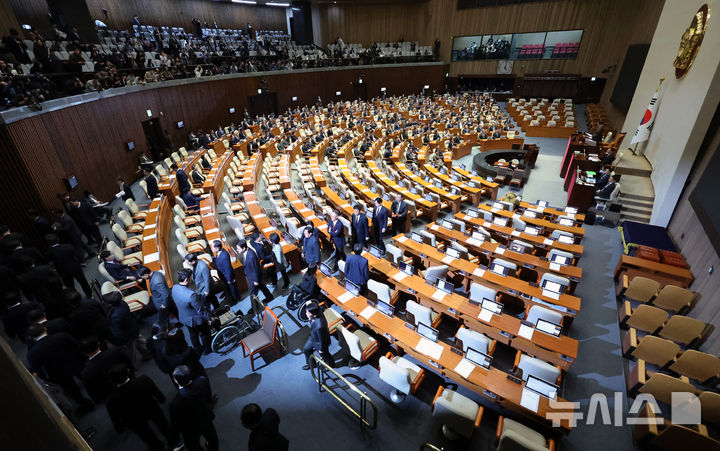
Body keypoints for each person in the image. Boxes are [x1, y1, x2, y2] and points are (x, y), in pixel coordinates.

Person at [105, 364, 182, 451]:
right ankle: (174, 441)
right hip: (152, 408)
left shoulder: (111, 401)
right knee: (162, 423)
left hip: (133, 420)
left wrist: (120, 428)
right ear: (127, 372)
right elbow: (160, 396)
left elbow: (115, 419)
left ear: (112, 381)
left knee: (146, 434)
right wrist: (161, 400)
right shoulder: (143, 380)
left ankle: (158, 447)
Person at [26, 324, 94, 413]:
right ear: (45, 328)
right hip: (75, 363)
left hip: (58, 374)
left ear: (31, 337)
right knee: (90, 379)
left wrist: (48, 379)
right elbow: (78, 346)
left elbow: (38, 371)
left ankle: (87, 404)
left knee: (73, 392)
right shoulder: (62, 336)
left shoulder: (31, 353)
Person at [169, 365, 219, 451]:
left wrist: (175, 438)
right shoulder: (202, 380)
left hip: (190, 428)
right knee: (212, 438)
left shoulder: (175, 403)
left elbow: (175, 424)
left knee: (193, 446)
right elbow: (207, 396)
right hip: (205, 417)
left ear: (176, 381)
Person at [79, 336, 134, 403]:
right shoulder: (115, 350)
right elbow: (129, 364)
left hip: (111, 397)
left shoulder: (86, 373)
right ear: (99, 344)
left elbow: (94, 394)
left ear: (83, 353)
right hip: (130, 383)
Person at [172, 269, 212, 355]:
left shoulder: (174, 288)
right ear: (186, 279)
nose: (192, 279)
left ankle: (198, 349)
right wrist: (209, 318)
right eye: (191, 278)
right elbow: (200, 310)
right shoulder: (191, 295)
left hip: (184, 318)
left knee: (193, 335)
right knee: (205, 333)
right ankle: (207, 350)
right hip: (195, 320)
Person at [302, 301, 332, 370]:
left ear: (314, 315)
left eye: (308, 312)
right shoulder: (315, 312)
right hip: (314, 335)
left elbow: (322, 339)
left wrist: (321, 349)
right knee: (306, 349)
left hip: (321, 341)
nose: (306, 313)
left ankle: (330, 365)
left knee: (325, 354)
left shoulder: (319, 326)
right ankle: (311, 364)